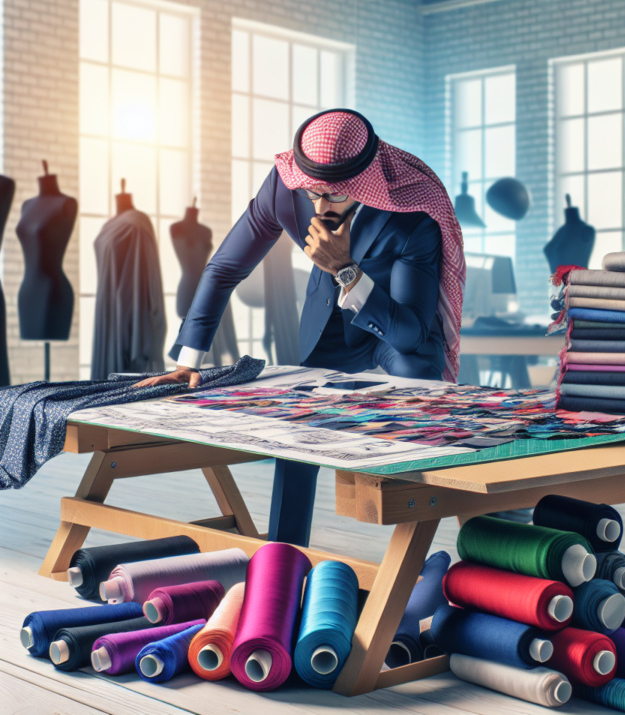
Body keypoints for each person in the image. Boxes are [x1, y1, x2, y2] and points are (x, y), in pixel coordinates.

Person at [136, 109, 466, 546]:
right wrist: (186, 361)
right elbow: (224, 268)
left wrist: (346, 270)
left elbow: (411, 332)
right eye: (311, 194)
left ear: (363, 185)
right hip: (329, 316)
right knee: (301, 428)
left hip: (399, 322)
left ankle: (419, 553)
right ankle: (284, 550)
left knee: (423, 406)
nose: (321, 209)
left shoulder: (411, 212)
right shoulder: (284, 186)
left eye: (333, 196)